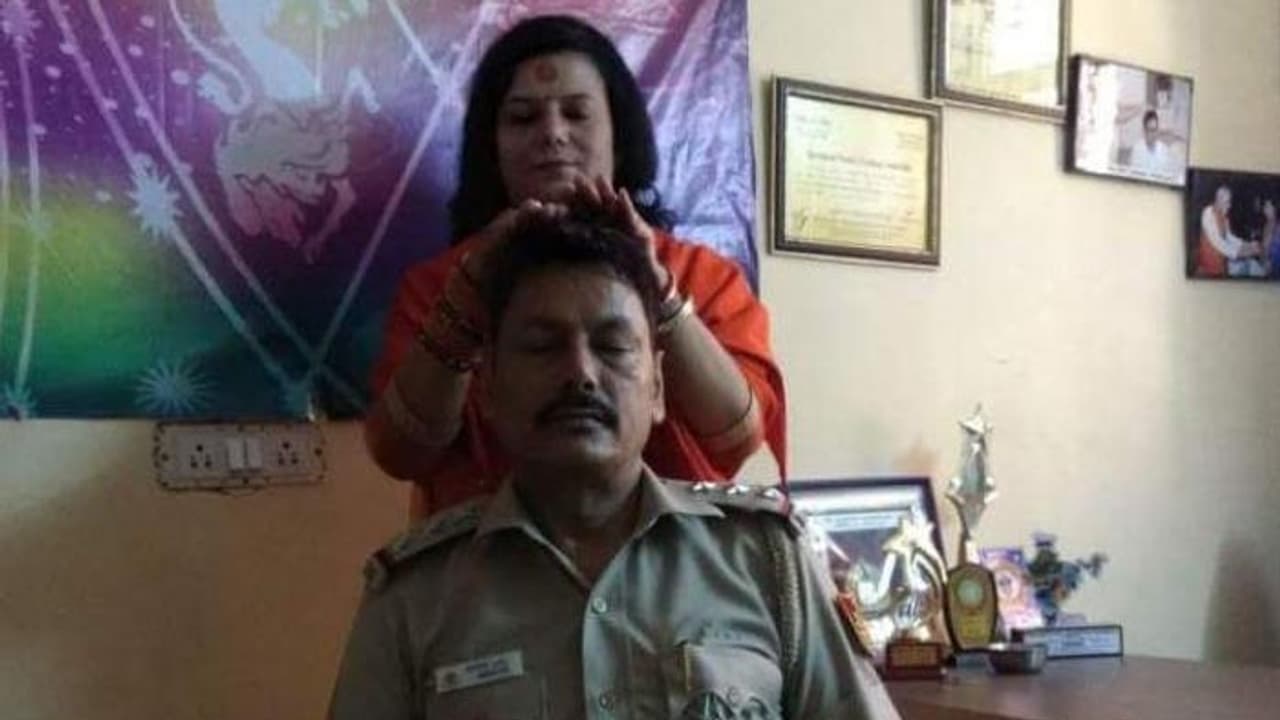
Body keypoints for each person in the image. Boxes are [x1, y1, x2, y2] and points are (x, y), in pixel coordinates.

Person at [330, 217, 899, 719]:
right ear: (488, 391)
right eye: (542, 346)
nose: (581, 373)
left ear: (658, 389)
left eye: (612, 346)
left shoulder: (768, 561)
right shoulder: (415, 595)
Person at [365, 15, 785, 518]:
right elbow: (400, 454)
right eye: (524, 118)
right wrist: (468, 300)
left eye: (576, 113)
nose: (552, 134)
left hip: (674, 557)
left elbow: (738, 437)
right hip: (491, 559)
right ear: (492, 147)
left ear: (619, 136)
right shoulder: (444, 284)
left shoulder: (698, 276)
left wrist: (658, 292)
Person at [1198, 185, 1264, 278]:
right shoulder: (1208, 213)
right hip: (1207, 271)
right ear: (1218, 200)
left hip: (1221, 267)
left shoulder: (1225, 217)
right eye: (1226, 202)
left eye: (1229, 202)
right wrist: (1246, 252)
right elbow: (1219, 243)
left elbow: (1229, 238)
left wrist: (1248, 245)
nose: (1229, 206)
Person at [1126, 109, 1171, 177]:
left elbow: (1166, 175)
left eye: (1155, 130)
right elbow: (1134, 175)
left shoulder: (1164, 150)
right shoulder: (1137, 150)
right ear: (1144, 131)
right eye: (1150, 130)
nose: (1153, 134)